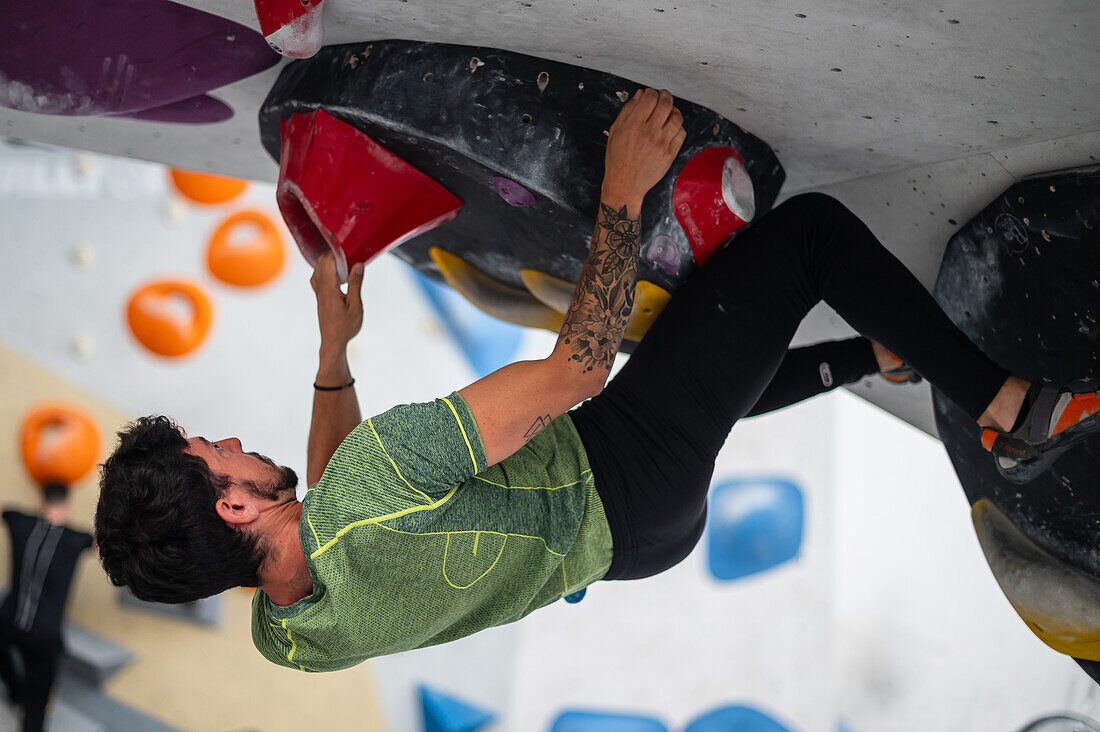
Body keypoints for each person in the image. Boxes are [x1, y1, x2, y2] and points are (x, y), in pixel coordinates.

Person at [94, 89, 1100, 672]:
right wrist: (622, 187)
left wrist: (332, 356)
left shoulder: (284, 635)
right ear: (231, 501)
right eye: (212, 450)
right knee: (809, 241)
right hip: (616, 465)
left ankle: (864, 356)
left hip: (628, 546)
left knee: (694, 376)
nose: (227, 436)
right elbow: (572, 371)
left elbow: (334, 509)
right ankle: (1005, 409)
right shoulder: (378, 474)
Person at [1, 484, 94, 730]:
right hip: (44, 634)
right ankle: (23, 699)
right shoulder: (76, 539)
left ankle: (16, 693)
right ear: (67, 505)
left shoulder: (19, 521)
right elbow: (107, 545)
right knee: (36, 704)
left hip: (12, 621)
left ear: (42, 502)